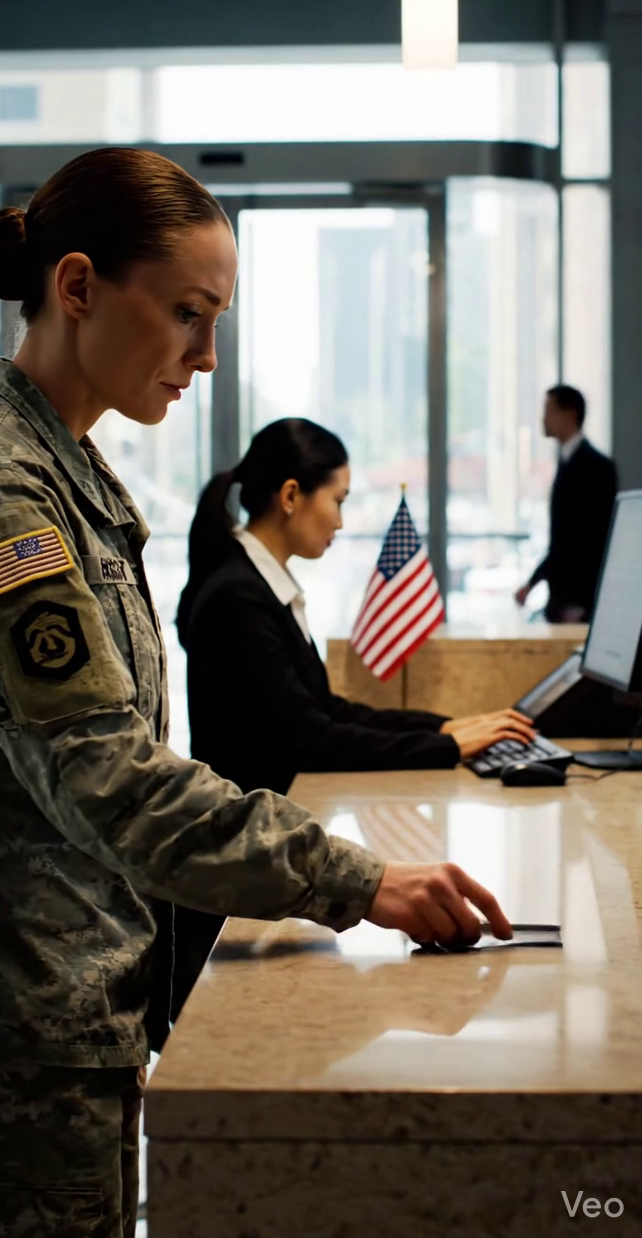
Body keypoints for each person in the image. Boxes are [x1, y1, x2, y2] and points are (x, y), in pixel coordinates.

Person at [0, 147, 512, 1238]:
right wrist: (354, 879)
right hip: (9, 1041)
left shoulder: (70, 474)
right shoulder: (2, 493)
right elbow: (109, 776)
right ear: (80, 287)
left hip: (67, 1012)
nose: (205, 354)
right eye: (188, 312)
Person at [172, 419, 534, 1010]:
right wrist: (445, 747)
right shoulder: (239, 596)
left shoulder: (260, 584)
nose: (340, 520)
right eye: (336, 500)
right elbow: (311, 738)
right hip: (241, 874)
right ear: (291, 496)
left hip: (269, 847)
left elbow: (321, 708)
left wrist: (440, 728)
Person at [515, 384, 618, 623]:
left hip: (578, 603)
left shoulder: (597, 468)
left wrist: (580, 602)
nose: (544, 419)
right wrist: (533, 582)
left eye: (549, 410)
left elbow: (593, 540)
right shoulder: (566, 462)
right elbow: (561, 539)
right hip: (561, 599)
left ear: (569, 414)